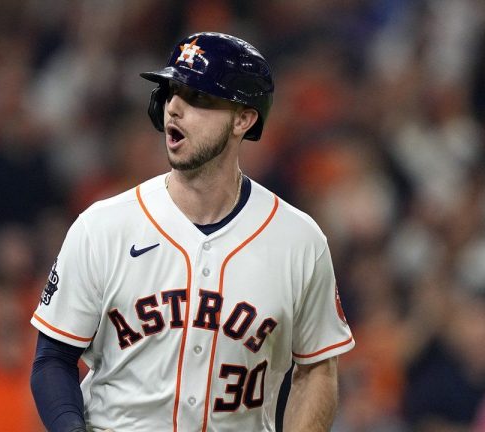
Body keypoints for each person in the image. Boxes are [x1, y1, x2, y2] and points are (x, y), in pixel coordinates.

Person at [29, 31, 355, 432]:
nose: (174, 109)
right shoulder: (104, 226)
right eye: (172, 92)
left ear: (244, 118)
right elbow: (52, 359)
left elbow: (317, 369)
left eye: (199, 97)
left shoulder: (299, 241)